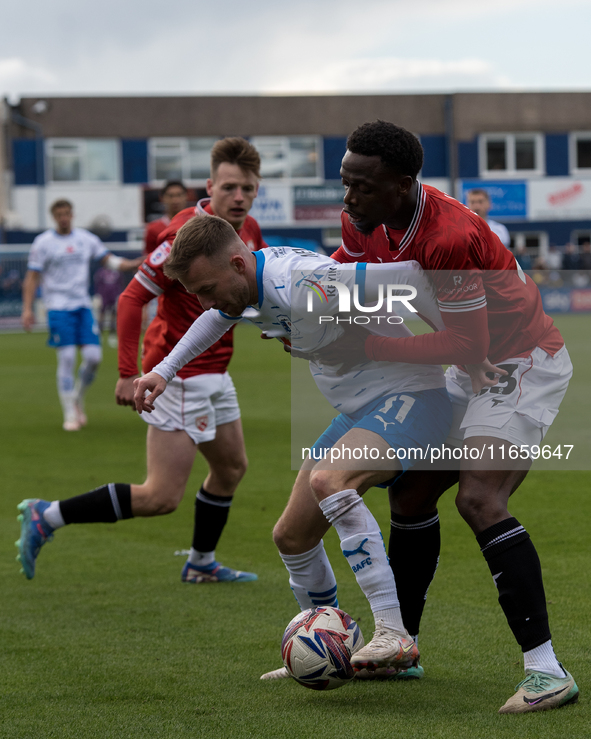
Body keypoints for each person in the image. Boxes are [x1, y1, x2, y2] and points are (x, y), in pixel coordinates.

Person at [132, 215, 453, 678]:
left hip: (413, 398)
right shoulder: (247, 286)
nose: (203, 300)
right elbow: (216, 317)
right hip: (360, 409)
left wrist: (469, 350)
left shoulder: (305, 282)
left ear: (239, 264)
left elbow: (408, 277)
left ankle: (394, 634)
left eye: (206, 287)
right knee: (292, 536)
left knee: (330, 481)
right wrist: (163, 371)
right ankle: (323, 638)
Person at [327, 120, 577, 713]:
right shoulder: (362, 218)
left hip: (521, 360)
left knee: (478, 498)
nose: (349, 197)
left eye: (362, 185)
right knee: (411, 497)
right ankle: (398, 647)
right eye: (345, 182)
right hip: (474, 361)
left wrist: (368, 347)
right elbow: (352, 281)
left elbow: (467, 345)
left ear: (404, 184)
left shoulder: (449, 235)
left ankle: (548, 672)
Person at [16, 138, 265, 585]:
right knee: (160, 496)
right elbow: (133, 298)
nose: (240, 197)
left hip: (216, 374)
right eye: (230, 187)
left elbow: (252, 292)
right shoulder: (182, 236)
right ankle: (46, 516)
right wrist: (127, 372)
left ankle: (201, 563)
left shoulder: (250, 231)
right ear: (209, 187)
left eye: (248, 187)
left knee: (230, 468)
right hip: (179, 377)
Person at [21, 199, 141, 431]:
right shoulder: (43, 242)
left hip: (83, 307)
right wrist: (27, 309)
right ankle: (69, 414)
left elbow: (109, 260)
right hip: (57, 307)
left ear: (72, 214)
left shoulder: (85, 239)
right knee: (66, 358)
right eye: (59, 214)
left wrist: (133, 264)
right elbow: (32, 277)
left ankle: (76, 397)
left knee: (94, 358)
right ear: (54, 217)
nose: (64, 217)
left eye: (67, 213)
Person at [144, 181, 189, 255]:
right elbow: (149, 258)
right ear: (162, 198)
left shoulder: (196, 225)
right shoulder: (153, 229)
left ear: (186, 197)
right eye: (170, 196)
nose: (175, 200)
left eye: (179, 195)